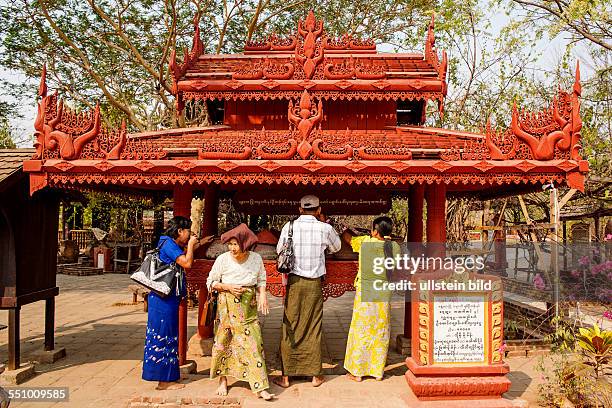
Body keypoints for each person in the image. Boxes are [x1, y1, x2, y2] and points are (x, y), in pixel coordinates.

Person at [273, 195, 341, 388]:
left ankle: (286, 376)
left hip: (294, 281)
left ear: (300, 209)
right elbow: (337, 248)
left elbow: (280, 250)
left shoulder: (289, 226)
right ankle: (315, 376)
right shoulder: (325, 228)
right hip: (314, 283)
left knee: (290, 325)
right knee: (313, 325)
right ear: (319, 210)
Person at [142, 216, 213, 390]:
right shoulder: (169, 245)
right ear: (179, 231)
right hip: (163, 300)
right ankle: (163, 382)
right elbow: (187, 263)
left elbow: (182, 254)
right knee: (164, 337)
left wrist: (201, 242)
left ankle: (169, 376)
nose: (189, 234)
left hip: (165, 298)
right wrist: (190, 246)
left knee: (169, 337)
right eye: (187, 231)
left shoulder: (168, 243)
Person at [207, 224, 275, 401]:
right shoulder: (222, 259)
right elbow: (211, 282)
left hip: (248, 306)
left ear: (245, 244)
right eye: (230, 244)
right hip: (227, 305)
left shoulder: (256, 259)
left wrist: (262, 296)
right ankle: (223, 380)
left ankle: (260, 386)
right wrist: (227, 287)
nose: (232, 248)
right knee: (224, 341)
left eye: (235, 244)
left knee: (254, 343)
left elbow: (261, 279)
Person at [343, 216, 399, 382]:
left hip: (365, 291)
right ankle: (377, 372)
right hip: (384, 291)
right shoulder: (394, 246)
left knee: (362, 329)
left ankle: (358, 372)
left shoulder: (365, 242)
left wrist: (349, 229)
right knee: (380, 329)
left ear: (375, 231)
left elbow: (347, 237)